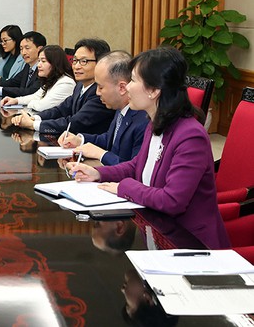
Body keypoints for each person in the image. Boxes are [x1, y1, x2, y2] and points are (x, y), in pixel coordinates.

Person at [68, 47, 230, 250]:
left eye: (133, 80)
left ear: (154, 91)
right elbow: (138, 165)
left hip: (190, 244)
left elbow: (172, 200)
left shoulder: (190, 136)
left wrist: (123, 187)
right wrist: (98, 173)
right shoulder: (155, 122)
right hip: (157, 229)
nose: (127, 87)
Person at [58, 51, 149, 165]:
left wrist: (101, 154)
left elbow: (134, 169)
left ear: (122, 88)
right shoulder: (120, 109)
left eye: (100, 87)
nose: (97, 93)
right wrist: (80, 140)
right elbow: (110, 140)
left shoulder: (143, 120)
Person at [8, 38, 114, 135]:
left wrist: (33, 125)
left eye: (83, 61)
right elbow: (61, 110)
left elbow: (75, 123)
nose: (76, 66)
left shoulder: (101, 93)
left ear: (101, 63)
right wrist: (35, 118)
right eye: (75, 61)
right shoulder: (80, 86)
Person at [0, 45, 75, 114]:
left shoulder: (66, 83)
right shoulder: (52, 80)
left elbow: (42, 106)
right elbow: (36, 96)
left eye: (43, 61)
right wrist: (16, 100)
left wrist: (30, 104)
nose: (38, 65)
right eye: (39, 61)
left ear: (55, 63)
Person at [0, 31, 46, 97]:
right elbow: (13, 82)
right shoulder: (28, 66)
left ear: (40, 49)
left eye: (27, 48)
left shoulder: (44, 69)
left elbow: (31, 92)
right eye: (21, 49)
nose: (23, 52)